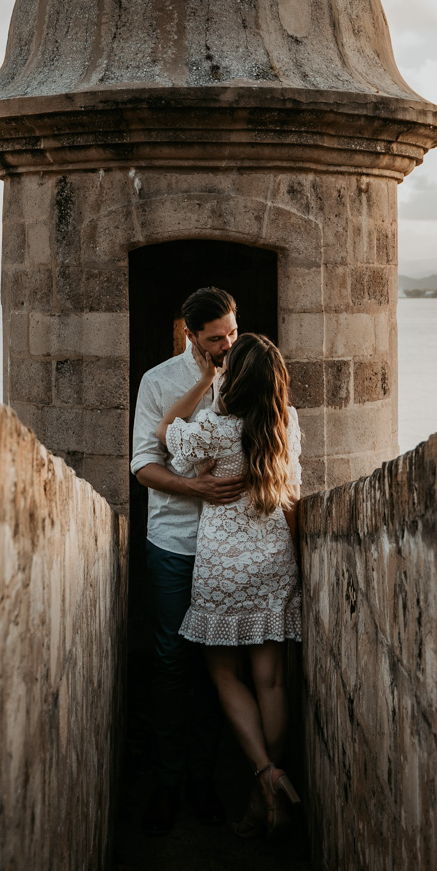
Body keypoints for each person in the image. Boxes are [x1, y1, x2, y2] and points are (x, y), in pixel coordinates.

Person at [156, 331, 302, 838]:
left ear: (234, 376)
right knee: (273, 680)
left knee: (224, 676)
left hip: (222, 566)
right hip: (272, 560)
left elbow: (164, 433)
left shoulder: (214, 428)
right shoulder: (285, 421)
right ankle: (269, 795)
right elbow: (293, 496)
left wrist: (204, 380)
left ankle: (265, 775)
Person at [130, 285, 244, 835]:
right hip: (174, 542)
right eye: (215, 338)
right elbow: (142, 465)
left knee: (217, 662)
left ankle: (203, 777)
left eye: (232, 334)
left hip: (232, 546)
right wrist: (194, 489)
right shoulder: (158, 382)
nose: (226, 345)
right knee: (172, 660)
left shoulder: (248, 371)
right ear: (191, 336)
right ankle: (167, 780)